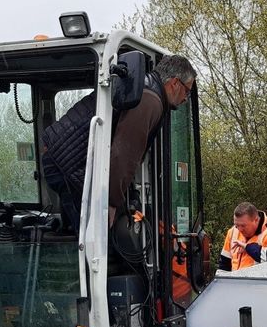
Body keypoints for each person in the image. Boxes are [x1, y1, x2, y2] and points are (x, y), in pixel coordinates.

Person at [40, 54, 197, 230]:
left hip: (64, 156)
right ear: (175, 83)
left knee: (90, 231)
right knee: (98, 238)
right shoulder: (150, 100)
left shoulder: (143, 89)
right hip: (67, 162)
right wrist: (112, 202)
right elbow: (124, 152)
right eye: (187, 91)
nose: (186, 98)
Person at [218, 202, 267, 271]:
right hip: (236, 281)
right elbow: (224, 265)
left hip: (262, 281)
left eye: (243, 225)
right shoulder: (233, 232)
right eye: (236, 225)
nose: (239, 229)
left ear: (256, 220)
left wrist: (248, 247)